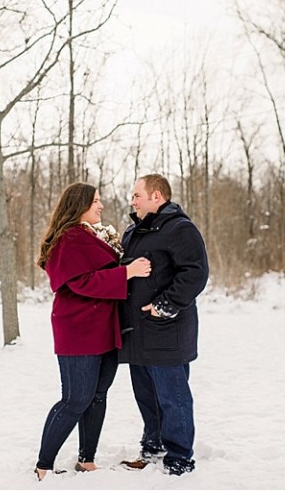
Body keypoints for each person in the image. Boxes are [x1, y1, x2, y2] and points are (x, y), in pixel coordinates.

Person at [34, 182, 152, 481]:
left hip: (104, 328)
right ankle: (43, 466)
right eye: (95, 201)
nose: (101, 206)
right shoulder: (69, 238)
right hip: (79, 329)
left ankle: (87, 459)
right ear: (79, 205)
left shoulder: (90, 234)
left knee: (98, 395)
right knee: (75, 399)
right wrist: (127, 272)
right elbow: (81, 282)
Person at [118, 173, 209, 476]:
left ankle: (180, 456)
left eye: (137, 195)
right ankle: (153, 446)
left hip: (167, 330)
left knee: (173, 397)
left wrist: (163, 305)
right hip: (137, 332)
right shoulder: (133, 232)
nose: (132, 200)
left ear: (156, 196)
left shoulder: (180, 229)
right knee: (146, 395)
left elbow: (195, 273)